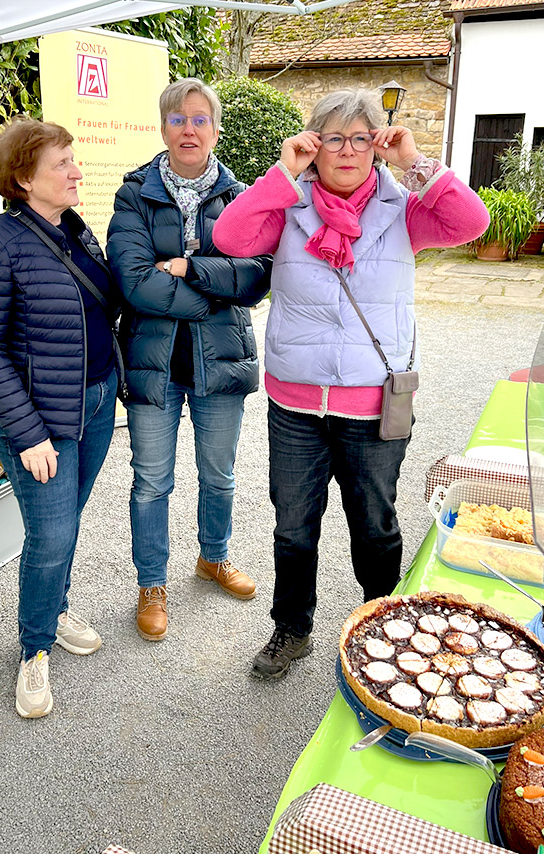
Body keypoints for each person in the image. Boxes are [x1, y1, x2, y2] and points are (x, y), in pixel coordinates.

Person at [213, 88, 490, 679]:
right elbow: (231, 240)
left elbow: (472, 221)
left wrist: (415, 162)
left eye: (361, 138)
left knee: (374, 523)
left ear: (377, 146)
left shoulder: (403, 210)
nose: (347, 151)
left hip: (373, 403)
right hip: (296, 401)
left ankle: (383, 625)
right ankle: (292, 628)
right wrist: (282, 173)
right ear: (314, 146)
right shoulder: (289, 207)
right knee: (293, 525)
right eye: (333, 138)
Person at [0, 118, 122, 717]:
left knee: (67, 523)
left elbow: (101, 312)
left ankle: (53, 607)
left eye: (73, 160)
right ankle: (34, 649)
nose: (77, 171)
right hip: (40, 420)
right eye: (63, 164)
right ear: (24, 179)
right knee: (50, 535)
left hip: (97, 403)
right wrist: (26, 435)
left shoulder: (77, 232)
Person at [106, 78, 271, 642]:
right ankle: (151, 583)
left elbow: (257, 275)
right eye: (178, 119)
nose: (189, 129)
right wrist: (211, 293)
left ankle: (213, 557)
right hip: (154, 363)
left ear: (216, 130)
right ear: (162, 128)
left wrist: (185, 268)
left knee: (219, 475)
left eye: (200, 119)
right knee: (151, 481)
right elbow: (132, 280)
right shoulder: (134, 194)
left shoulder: (242, 196)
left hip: (220, 362)